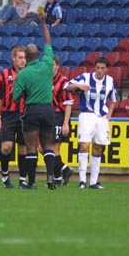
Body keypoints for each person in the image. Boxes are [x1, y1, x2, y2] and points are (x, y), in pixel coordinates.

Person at [12, 18, 57, 190]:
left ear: (27, 57)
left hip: (32, 110)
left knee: (31, 148)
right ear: (38, 54)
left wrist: (26, 91)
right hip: (48, 109)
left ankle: (31, 182)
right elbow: (48, 41)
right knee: (48, 145)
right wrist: (44, 23)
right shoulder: (47, 64)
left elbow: (16, 97)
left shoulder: (23, 74)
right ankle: (51, 176)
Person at [66, 56, 118, 189]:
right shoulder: (86, 77)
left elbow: (113, 99)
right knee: (84, 145)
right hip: (87, 115)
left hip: (102, 117)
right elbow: (67, 86)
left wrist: (109, 115)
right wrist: (79, 85)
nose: (99, 70)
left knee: (99, 147)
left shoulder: (110, 81)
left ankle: (93, 182)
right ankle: (82, 180)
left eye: (102, 68)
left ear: (107, 69)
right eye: (97, 68)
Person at [0, 45, 27, 188]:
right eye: (20, 58)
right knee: (6, 147)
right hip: (8, 115)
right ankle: (5, 176)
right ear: (13, 58)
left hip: (26, 116)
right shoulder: (2, 74)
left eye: (24, 58)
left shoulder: (30, 74)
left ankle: (23, 180)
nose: (23, 60)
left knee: (24, 148)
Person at [51, 56, 75, 186]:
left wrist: (65, 123)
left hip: (58, 117)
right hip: (47, 117)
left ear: (57, 66)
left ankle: (57, 178)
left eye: (53, 65)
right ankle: (64, 169)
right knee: (41, 147)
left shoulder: (63, 81)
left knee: (54, 147)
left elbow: (69, 103)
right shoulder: (44, 80)